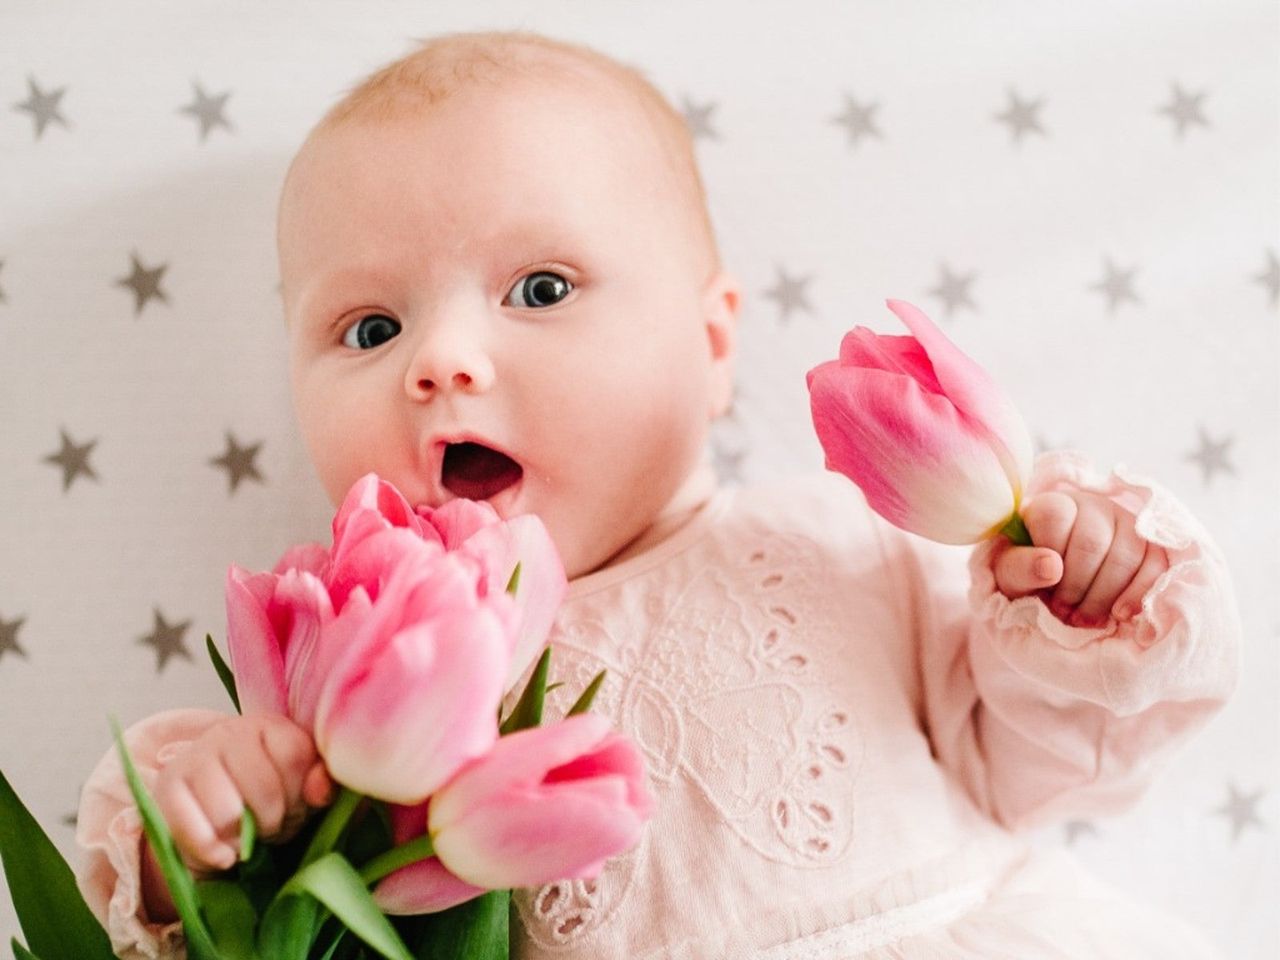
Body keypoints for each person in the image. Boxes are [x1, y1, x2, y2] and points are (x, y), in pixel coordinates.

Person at [75, 29, 1241, 959]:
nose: (443, 360)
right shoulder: (362, 678)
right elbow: (311, 921)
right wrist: (219, 822)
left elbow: (1032, 771)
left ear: (711, 341)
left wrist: (1072, 615)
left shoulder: (835, 542)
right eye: (369, 327)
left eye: (539, 287)